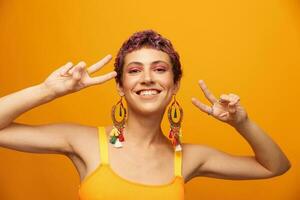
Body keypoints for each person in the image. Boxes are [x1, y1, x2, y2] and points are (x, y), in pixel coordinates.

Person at [0, 30, 291, 199]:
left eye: (160, 69)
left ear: (174, 85)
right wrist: (48, 91)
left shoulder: (187, 158)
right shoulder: (84, 141)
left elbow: (274, 167)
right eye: (135, 70)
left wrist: (242, 123)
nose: (147, 78)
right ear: (120, 85)